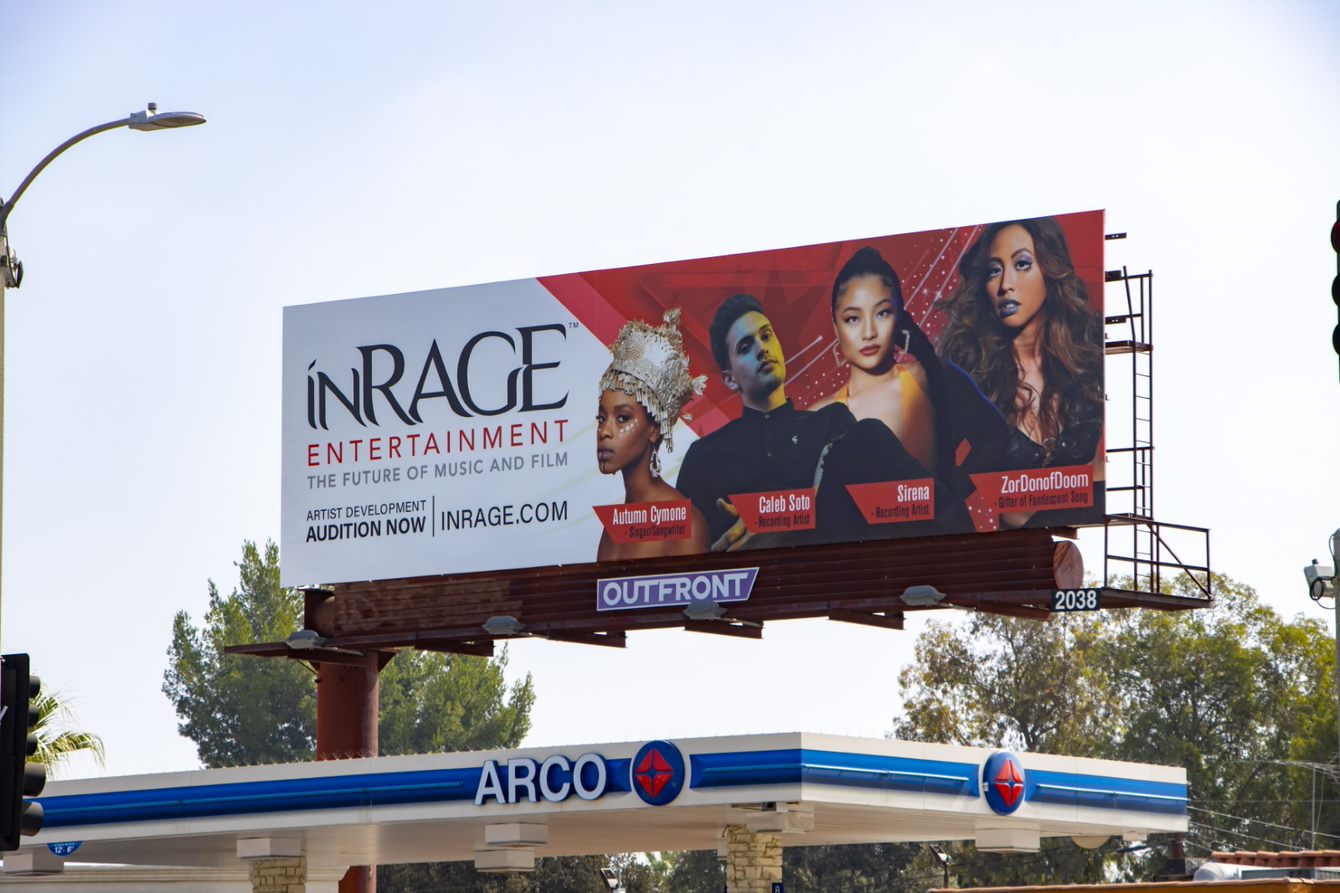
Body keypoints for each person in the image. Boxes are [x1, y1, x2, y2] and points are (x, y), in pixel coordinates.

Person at [675, 293, 944, 550]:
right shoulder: (705, 455)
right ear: (730, 378)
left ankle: (960, 550)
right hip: (740, 589)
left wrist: (777, 519)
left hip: (838, 577)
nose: (761, 348)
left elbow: (849, 498)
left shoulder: (831, 421)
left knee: (869, 434)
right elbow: (682, 548)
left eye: (766, 336)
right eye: (745, 347)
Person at [813, 246, 1011, 504]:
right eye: (853, 319)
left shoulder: (930, 377)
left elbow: (994, 437)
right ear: (835, 326)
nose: (869, 332)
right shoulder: (818, 416)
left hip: (930, 541)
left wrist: (947, 499)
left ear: (901, 316)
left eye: (883, 313)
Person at [938, 217, 1104, 470]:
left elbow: (1100, 471)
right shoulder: (970, 371)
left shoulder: (1090, 356)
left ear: (1050, 270)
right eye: (994, 270)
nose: (1005, 285)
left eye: (1022, 264)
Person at [595, 309, 710, 560]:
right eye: (602, 418)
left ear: (655, 429)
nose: (604, 431)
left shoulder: (684, 523)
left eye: (623, 418)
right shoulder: (613, 527)